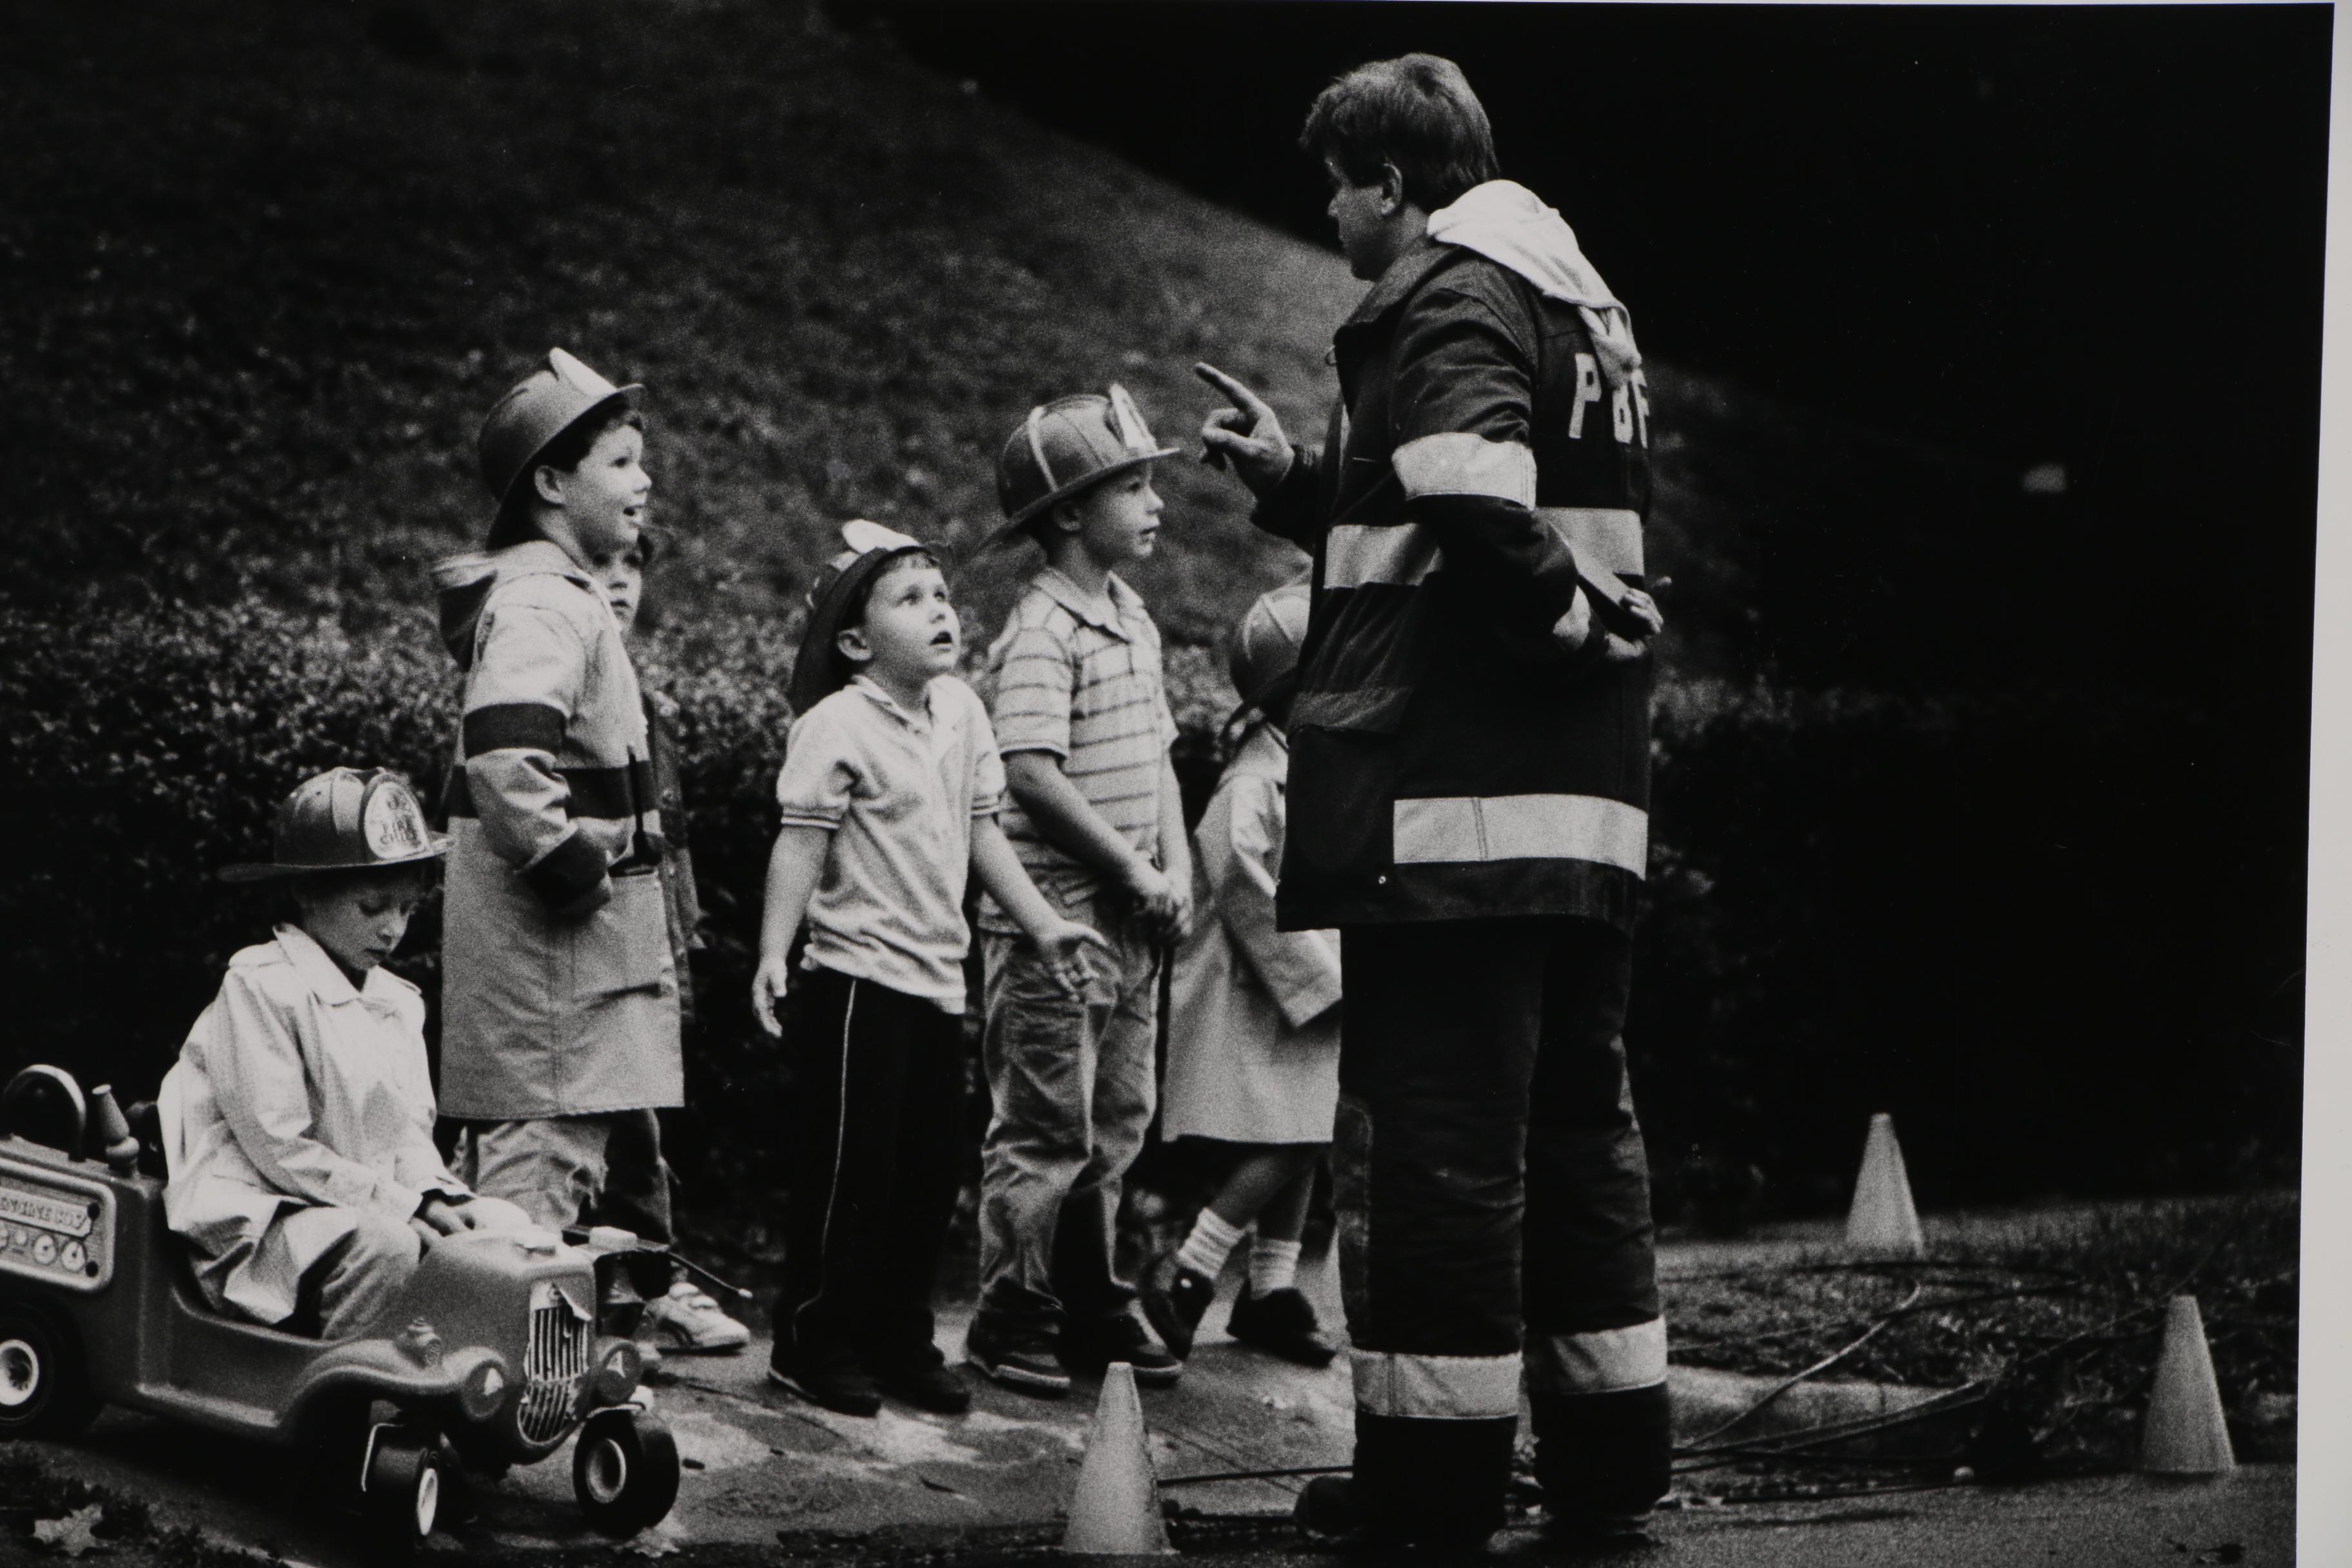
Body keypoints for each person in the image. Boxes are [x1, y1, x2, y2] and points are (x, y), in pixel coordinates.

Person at [1195, 55, 1672, 1551]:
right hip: (1574, 804)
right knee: (1578, 1127)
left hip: (1453, 804)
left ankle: (1433, 1479)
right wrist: (1297, 484)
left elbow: (1475, 507)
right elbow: (1439, 487)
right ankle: (1608, 1453)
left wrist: (1575, 619)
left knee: (1436, 1142)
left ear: (1391, 185)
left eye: (1337, 187)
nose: (1332, 215)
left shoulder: (1447, 295)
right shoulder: (1574, 298)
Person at [751, 520, 1108, 1418]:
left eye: (941, 594)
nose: (940, 611)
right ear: (856, 642)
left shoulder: (964, 714)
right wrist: (770, 953)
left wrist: (1043, 925)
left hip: (936, 985)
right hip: (856, 984)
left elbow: (984, 831)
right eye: (909, 599)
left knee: (926, 1177)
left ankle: (897, 1337)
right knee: (851, 1175)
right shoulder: (835, 725)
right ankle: (814, 1339)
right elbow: (799, 846)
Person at [965, 387, 1195, 1396]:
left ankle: (1090, 1295)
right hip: (1056, 915)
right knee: (1045, 1126)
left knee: (1116, 1119)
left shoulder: (1132, 617)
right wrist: (1131, 868)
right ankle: (1011, 1313)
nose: (1156, 504)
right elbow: (1030, 773)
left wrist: (1174, 868)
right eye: (1132, 486)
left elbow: (1163, 763)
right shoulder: (1042, 629)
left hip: (1134, 918)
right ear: (1066, 515)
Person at [431, 348, 684, 1253]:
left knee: (546, 1186)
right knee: (527, 1210)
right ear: (550, 482)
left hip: (569, 988)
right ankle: (477, 1383)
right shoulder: (545, 607)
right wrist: (575, 869)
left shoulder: (563, 599)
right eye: (619, 462)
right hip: (551, 992)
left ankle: (509, 1377)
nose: (644, 481)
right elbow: (507, 764)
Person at [159, 769, 533, 1340]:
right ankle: (343, 1406)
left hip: (357, 1206)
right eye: (373, 907)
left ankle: (459, 1390)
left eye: (407, 910)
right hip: (262, 1214)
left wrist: (434, 1196)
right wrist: (405, 1209)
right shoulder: (261, 985)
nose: (392, 931)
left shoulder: (397, 1002)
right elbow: (279, 1147)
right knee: (387, 1245)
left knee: (502, 1228)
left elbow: (408, 1135)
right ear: (308, 893)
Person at [1144, 578, 1342, 1371]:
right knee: (1300, 1131)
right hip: (1265, 985)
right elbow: (1237, 878)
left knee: (1302, 1126)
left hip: (1300, 980)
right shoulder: (1255, 782)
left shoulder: (1305, 762)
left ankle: (1269, 1288)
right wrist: (1315, 977)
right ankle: (1190, 1268)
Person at [586, 527, 751, 1358]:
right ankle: (611, 1303)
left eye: (631, 567)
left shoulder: (642, 697)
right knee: (588, 1137)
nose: (619, 583)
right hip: (583, 954)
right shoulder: (569, 687)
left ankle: (647, 1290)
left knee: (641, 1137)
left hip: (645, 948)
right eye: (599, 565)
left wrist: (676, 953)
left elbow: (666, 841)